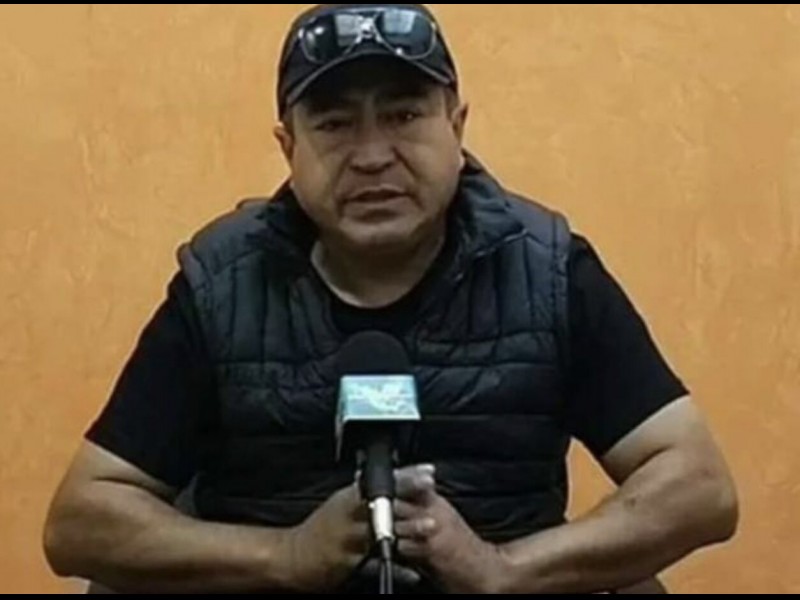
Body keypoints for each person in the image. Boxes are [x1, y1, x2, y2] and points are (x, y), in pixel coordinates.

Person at [43, 4, 738, 594]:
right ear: (289, 147)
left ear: (456, 127)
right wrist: (284, 556)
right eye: (334, 124)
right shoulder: (222, 284)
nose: (372, 155)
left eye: (404, 115)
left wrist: (502, 569)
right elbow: (81, 522)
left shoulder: (547, 269)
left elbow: (700, 486)